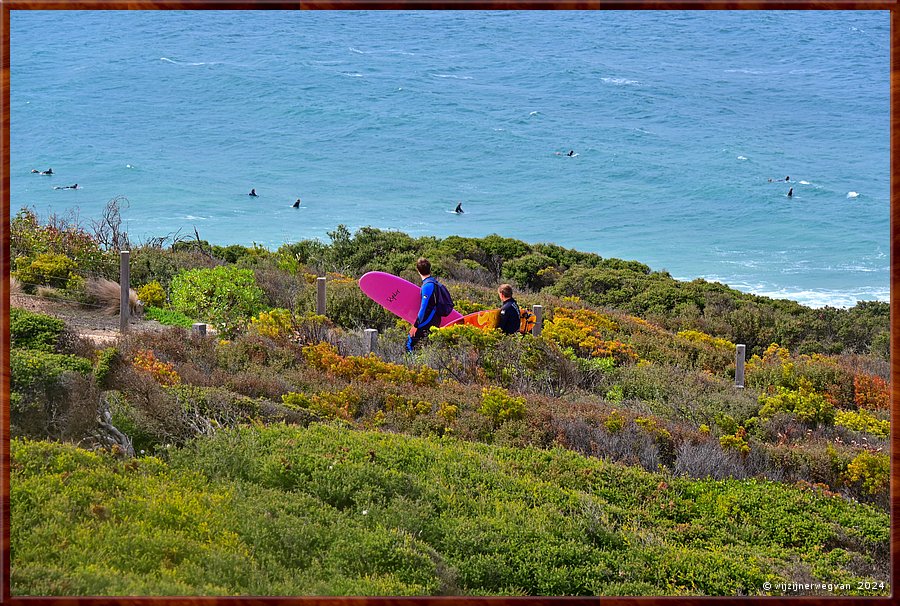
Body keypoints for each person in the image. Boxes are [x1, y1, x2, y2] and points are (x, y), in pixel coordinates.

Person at [406, 257, 445, 352]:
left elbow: (423, 308)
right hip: (435, 318)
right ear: (430, 269)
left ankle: (413, 365)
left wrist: (416, 325)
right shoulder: (434, 282)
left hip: (428, 320)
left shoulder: (427, 286)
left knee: (410, 344)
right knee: (428, 346)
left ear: (418, 270)